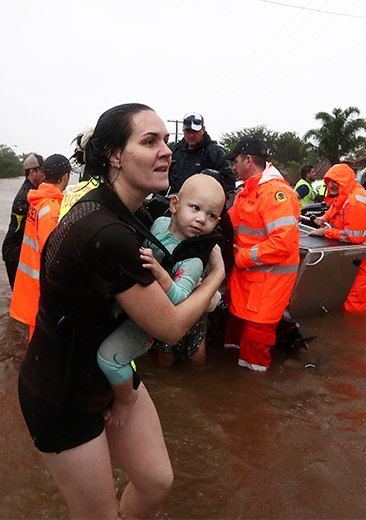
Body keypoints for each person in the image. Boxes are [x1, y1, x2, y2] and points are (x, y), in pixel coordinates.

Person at [18, 104, 225, 519]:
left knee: (155, 481)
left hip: (112, 369)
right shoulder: (106, 232)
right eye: (150, 142)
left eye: (166, 140)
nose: (166, 150)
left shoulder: (127, 212)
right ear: (114, 154)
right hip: (63, 393)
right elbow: (169, 328)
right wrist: (215, 277)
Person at [97, 174, 226, 424]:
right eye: (196, 208)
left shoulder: (192, 260)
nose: (201, 219)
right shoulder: (157, 224)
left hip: (147, 324)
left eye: (211, 216)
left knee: (109, 359)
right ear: (175, 204)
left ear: (217, 221)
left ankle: (126, 401)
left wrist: (159, 272)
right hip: (131, 304)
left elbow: (179, 299)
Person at [223, 138, 301, 372]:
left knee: (256, 340)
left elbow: (283, 243)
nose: (233, 167)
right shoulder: (247, 191)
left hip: (267, 283)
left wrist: (240, 258)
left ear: (248, 160)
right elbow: (229, 223)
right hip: (246, 279)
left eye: (235, 162)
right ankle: (232, 380)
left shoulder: (275, 192)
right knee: (235, 334)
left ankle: (253, 396)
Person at [310, 163, 366, 314]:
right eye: (329, 181)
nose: (332, 185)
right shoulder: (348, 192)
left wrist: (325, 232)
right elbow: (335, 206)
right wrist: (324, 217)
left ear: (345, 181)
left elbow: (354, 237)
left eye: (336, 181)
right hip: (364, 256)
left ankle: (359, 334)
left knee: (355, 305)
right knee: (361, 299)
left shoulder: (356, 203)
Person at [9, 154, 72, 340]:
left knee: (35, 341)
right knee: (42, 344)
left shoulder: (38, 200)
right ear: (66, 177)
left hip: (31, 284)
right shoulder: (51, 209)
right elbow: (52, 257)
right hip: (41, 289)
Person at [2, 154, 45, 289]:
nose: (45, 175)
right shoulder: (26, 197)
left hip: (19, 250)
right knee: (20, 295)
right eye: (42, 171)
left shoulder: (34, 190)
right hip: (15, 253)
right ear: (32, 172)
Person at [167, 112, 236, 195]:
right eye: (188, 131)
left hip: (203, 203)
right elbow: (163, 178)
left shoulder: (214, 152)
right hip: (176, 202)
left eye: (195, 131)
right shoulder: (175, 151)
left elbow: (229, 183)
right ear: (183, 131)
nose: (191, 135)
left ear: (203, 129)